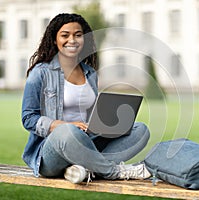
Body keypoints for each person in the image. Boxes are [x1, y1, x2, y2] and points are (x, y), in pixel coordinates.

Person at [21, 13, 151, 184]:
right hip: (53, 150)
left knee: (140, 130)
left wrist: (104, 123)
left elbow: (88, 112)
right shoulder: (41, 73)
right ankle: (111, 171)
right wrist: (64, 125)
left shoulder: (90, 73)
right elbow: (28, 118)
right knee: (68, 132)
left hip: (86, 141)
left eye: (78, 35)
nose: (72, 40)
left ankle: (85, 168)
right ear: (54, 39)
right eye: (65, 35)